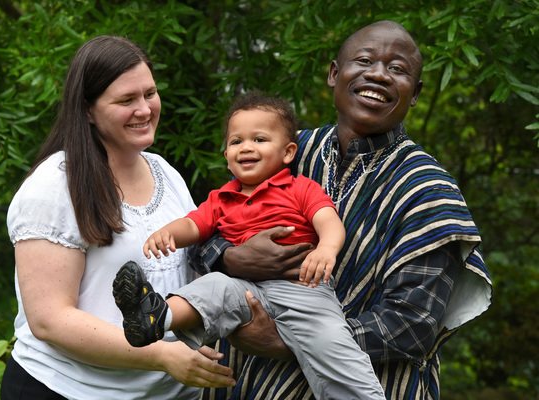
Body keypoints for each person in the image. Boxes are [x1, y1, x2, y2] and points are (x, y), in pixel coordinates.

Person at [194, 21, 493, 400]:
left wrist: (287, 340)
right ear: (335, 74)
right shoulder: (284, 152)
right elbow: (202, 233)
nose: (379, 74)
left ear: (415, 93)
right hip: (247, 383)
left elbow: (413, 322)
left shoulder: (429, 190)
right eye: (364, 61)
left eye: (397, 69)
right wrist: (232, 258)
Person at [0, 35, 235, 400]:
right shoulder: (54, 187)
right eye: (126, 100)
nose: (144, 109)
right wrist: (161, 356)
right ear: (87, 110)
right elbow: (50, 321)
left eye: (150, 93)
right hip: (66, 391)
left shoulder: (166, 174)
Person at [112, 91, 385, 400]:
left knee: (332, 344)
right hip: (244, 287)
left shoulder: (300, 188)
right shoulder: (220, 199)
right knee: (213, 288)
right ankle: (156, 317)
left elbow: (329, 222)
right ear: (227, 156)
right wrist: (168, 233)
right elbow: (193, 225)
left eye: (259, 139)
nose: (246, 147)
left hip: (302, 289)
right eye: (236, 141)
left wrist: (326, 250)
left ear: (288, 152)